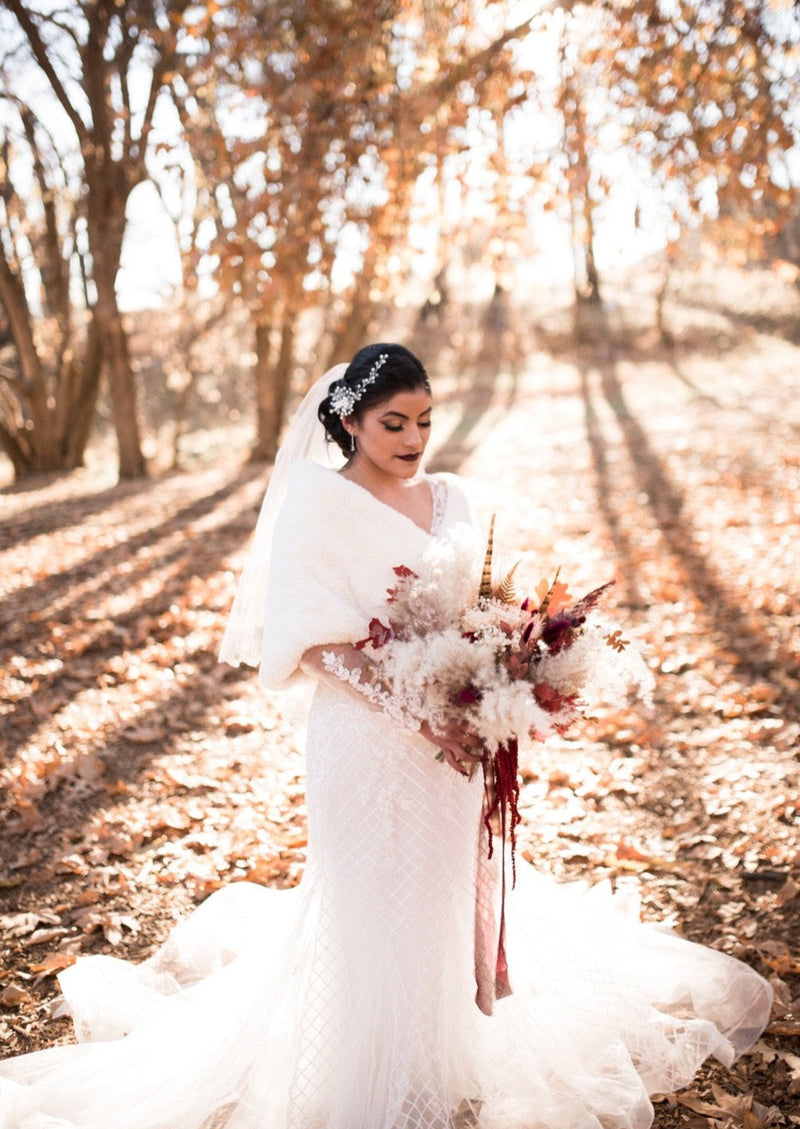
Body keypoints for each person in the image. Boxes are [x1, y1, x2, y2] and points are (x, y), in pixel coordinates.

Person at [0, 343, 773, 1129]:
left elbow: (480, 612)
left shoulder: (451, 499)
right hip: (362, 741)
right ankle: (370, 1077)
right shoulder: (314, 500)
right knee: (367, 902)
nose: (414, 437)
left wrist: (504, 679)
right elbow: (312, 641)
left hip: (452, 750)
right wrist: (416, 709)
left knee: (437, 899)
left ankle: (440, 1056)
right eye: (394, 422)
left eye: (425, 420)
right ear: (349, 421)